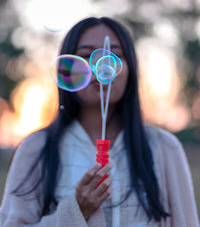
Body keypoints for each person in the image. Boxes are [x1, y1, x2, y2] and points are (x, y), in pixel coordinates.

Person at [0, 17, 199, 227]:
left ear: (130, 69)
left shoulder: (164, 147)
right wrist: (76, 211)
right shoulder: (36, 148)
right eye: (86, 55)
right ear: (66, 70)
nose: (101, 66)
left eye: (114, 55)